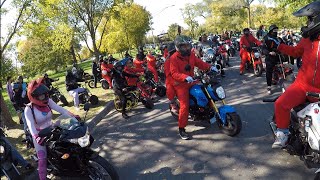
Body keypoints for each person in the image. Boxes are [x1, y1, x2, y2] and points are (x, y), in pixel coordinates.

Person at [267, 1, 320, 148]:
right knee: (280, 103)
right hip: (302, 86)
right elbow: (296, 52)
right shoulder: (306, 39)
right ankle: (283, 133)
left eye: (309, 19)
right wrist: (280, 46)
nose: (307, 23)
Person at [24, 78, 74, 180]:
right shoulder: (28, 109)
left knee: (69, 144)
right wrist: (36, 137)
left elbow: (60, 109)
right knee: (42, 159)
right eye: (42, 95)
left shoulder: (48, 101)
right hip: (39, 135)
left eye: (46, 94)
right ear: (34, 96)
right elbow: (30, 125)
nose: (45, 97)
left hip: (52, 128)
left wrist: (72, 115)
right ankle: (42, 177)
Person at [170, 35, 218, 140]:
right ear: (178, 47)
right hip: (180, 84)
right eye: (184, 46)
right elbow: (174, 73)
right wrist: (184, 77)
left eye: (188, 46)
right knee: (184, 106)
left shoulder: (191, 55)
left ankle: (206, 112)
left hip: (191, 80)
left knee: (205, 91)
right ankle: (181, 129)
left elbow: (199, 63)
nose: (187, 48)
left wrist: (210, 67)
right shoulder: (173, 58)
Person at [262, 24, 285, 94]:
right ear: (271, 31)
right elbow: (263, 48)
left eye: (276, 30)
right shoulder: (266, 38)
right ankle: (269, 86)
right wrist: (269, 52)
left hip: (279, 57)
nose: (276, 31)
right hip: (270, 57)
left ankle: (285, 85)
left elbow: (284, 45)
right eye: (274, 30)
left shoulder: (278, 39)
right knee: (269, 71)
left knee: (284, 70)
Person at [164, 42, 178, 114]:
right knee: (170, 90)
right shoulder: (168, 61)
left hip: (182, 76)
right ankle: (173, 105)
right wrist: (175, 81)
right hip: (172, 79)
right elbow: (168, 74)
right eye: (174, 51)